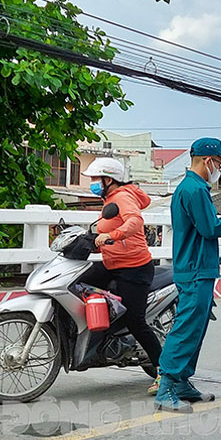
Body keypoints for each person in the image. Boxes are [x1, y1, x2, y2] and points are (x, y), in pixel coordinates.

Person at [153, 138, 221, 413]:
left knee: (196, 328)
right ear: (207, 161)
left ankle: (182, 382)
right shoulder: (196, 189)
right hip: (196, 268)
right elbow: (210, 229)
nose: (220, 169)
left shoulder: (191, 188)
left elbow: (205, 222)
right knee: (187, 328)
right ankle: (167, 386)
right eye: (220, 163)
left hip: (196, 267)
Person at [77, 157, 161, 394]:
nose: (93, 183)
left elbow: (135, 221)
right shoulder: (110, 199)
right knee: (78, 283)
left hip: (134, 268)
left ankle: (165, 371)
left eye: (96, 179)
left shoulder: (122, 197)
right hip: (113, 263)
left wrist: (114, 235)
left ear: (109, 179)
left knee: (136, 321)